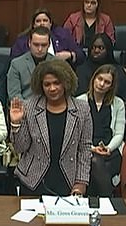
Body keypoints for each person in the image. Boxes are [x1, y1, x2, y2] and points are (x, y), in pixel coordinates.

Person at [9, 59, 91, 195]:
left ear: (66, 82)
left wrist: (81, 182)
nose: (52, 88)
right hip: (33, 180)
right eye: (47, 84)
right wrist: (16, 123)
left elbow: (84, 149)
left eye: (56, 83)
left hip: (67, 179)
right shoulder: (29, 107)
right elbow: (20, 148)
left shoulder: (82, 109)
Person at [76, 65, 125, 197]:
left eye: (107, 82)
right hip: (87, 150)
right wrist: (92, 148)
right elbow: (76, 134)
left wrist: (109, 148)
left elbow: (119, 133)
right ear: (94, 79)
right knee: (94, 162)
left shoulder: (118, 103)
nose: (102, 84)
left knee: (100, 166)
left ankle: (94, 203)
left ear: (111, 86)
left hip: (111, 151)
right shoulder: (79, 101)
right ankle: (107, 200)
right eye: (100, 79)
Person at [10, 8, 84, 65]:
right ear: (33, 25)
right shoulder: (22, 41)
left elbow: (81, 55)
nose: (42, 23)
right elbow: (14, 62)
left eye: (45, 20)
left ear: (50, 23)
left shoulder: (62, 35)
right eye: (38, 21)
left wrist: (70, 55)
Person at [74, 33, 126, 104]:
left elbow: (125, 98)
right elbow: (79, 97)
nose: (96, 51)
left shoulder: (118, 71)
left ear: (108, 50)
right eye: (93, 47)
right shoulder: (81, 70)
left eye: (101, 48)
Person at [7, 26, 54, 100]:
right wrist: (30, 109)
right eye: (36, 44)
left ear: (49, 44)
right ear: (29, 43)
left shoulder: (58, 64)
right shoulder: (17, 64)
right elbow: (14, 95)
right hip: (25, 107)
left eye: (44, 45)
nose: (40, 49)